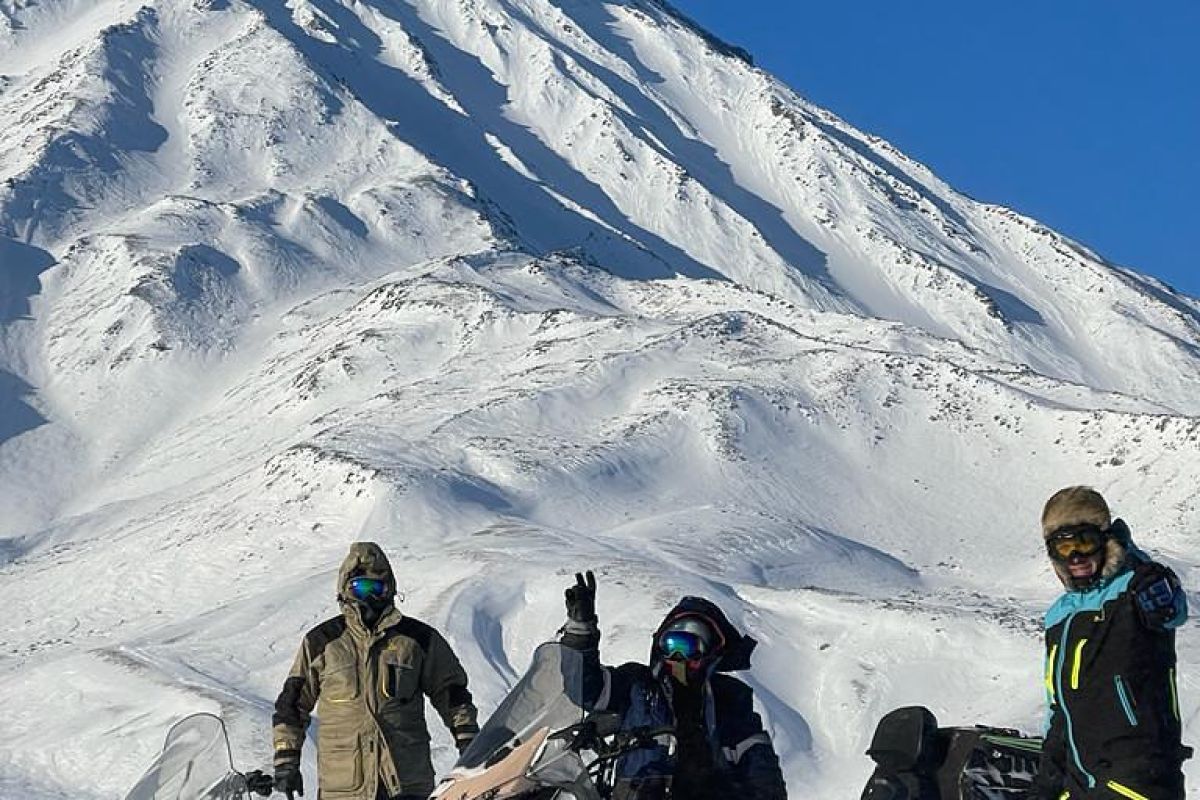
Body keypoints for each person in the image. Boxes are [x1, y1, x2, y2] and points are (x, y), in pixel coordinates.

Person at [272, 542, 479, 800]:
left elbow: (452, 692)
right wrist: (286, 759)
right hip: (343, 787)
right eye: (361, 587)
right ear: (346, 589)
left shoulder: (417, 639)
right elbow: (292, 704)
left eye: (376, 587)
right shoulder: (321, 642)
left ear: (389, 589)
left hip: (405, 784)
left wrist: (468, 740)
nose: (369, 596)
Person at [559, 571, 788, 799]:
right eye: (671, 643)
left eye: (687, 646)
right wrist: (581, 631)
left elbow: (761, 770)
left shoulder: (730, 699)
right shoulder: (636, 684)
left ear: (708, 651)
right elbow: (584, 691)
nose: (677, 655)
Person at [1035, 487, 1190, 800]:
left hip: (1136, 781)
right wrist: (1049, 778)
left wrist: (1158, 589)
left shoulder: (1135, 587)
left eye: (1085, 542)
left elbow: (1172, 610)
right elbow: (1059, 709)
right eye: (1063, 547)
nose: (1076, 556)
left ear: (1105, 540)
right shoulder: (1058, 618)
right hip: (1079, 785)